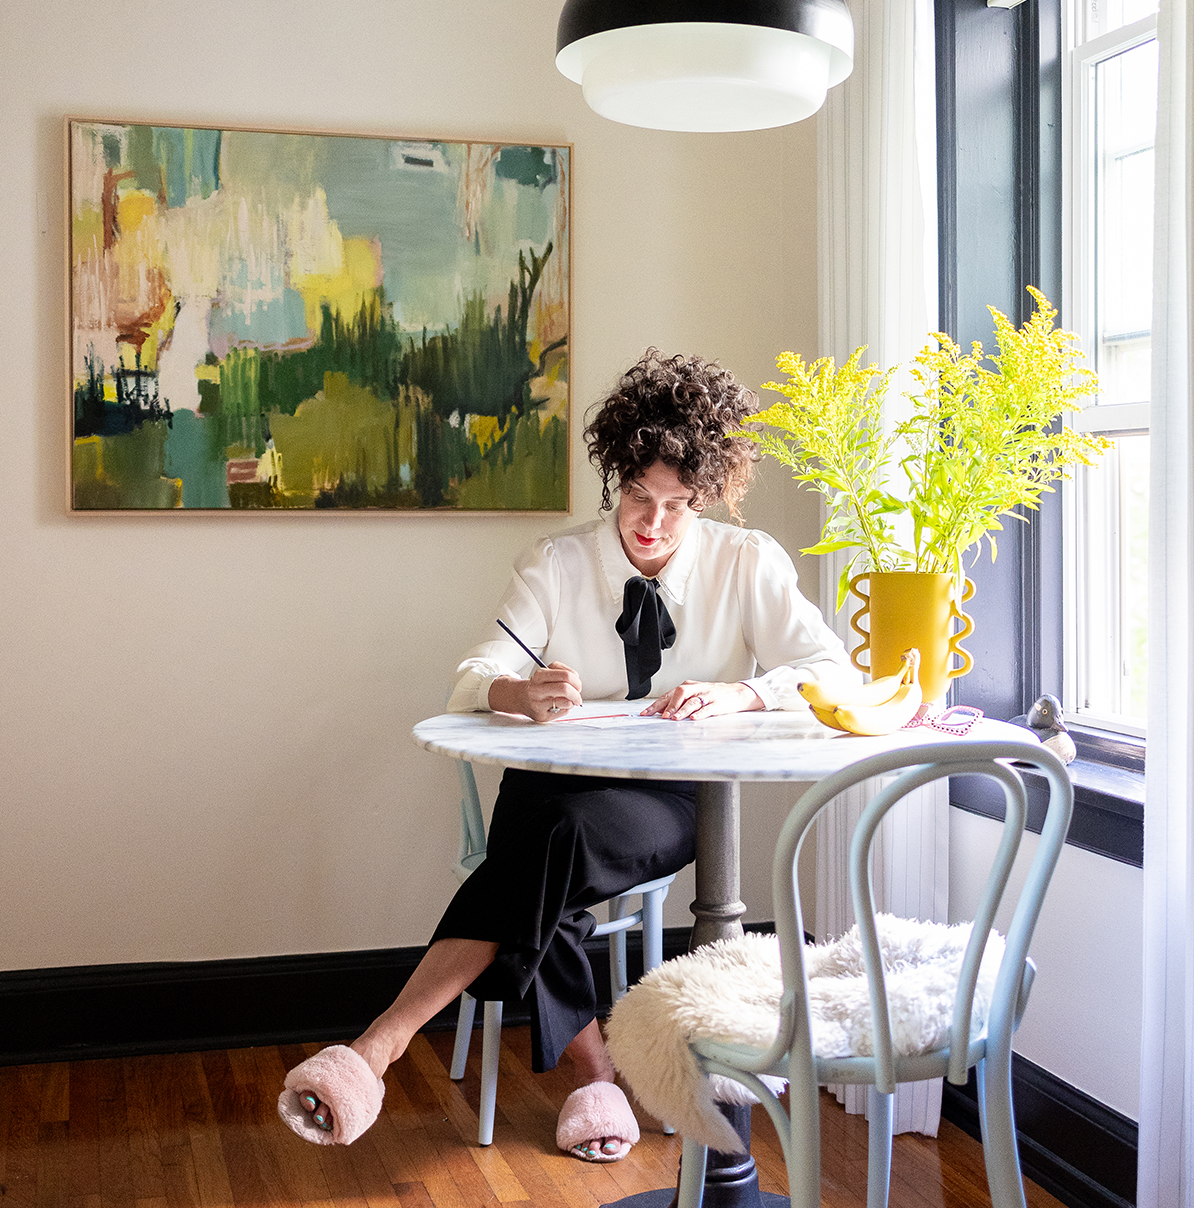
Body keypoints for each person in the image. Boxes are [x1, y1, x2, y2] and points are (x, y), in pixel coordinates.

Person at [278, 349, 854, 1160]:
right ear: (616, 478)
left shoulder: (746, 562)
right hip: (552, 784)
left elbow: (831, 670)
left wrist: (742, 693)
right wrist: (520, 694)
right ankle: (597, 1077)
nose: (651, 523)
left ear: (709, 499)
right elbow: (475, 676)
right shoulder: (557, 564)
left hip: (672, 798)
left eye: (679, 506)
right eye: (637, 497)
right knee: (547, 849)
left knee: (544, 849)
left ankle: (381, 1045)